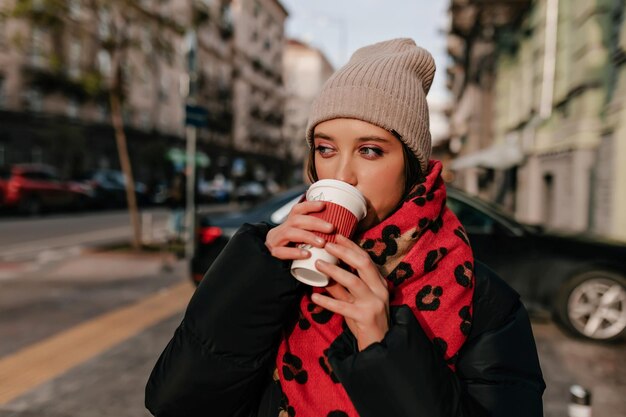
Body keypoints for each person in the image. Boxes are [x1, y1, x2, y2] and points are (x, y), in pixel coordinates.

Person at [145, 38, 545, 417]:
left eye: (370, 150)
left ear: (412, 166)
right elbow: (176, 403)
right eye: (326, 149)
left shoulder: (485, 301)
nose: (343, 174)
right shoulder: (275, 266)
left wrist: (384, 347)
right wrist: (255, 278)